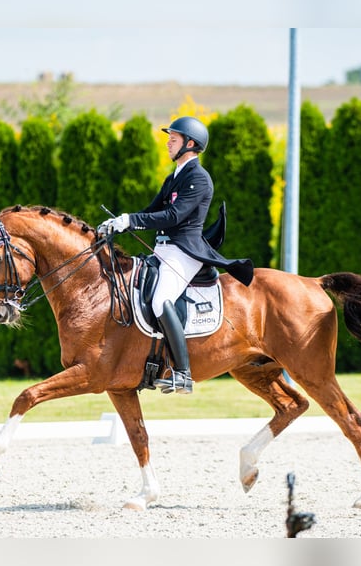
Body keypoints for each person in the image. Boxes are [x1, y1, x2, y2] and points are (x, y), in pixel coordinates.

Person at [99, 116, 254, 394]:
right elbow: (151, 210)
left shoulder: (199, 178)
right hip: (164, 251)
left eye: (174, 138)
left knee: (160, 300)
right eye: (169, 138)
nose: (168, 142)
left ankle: (182, 373)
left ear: (190, 144)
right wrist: (118, 224)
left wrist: (131, 221)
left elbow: (174, 215)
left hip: (185, 252)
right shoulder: (174, 177)